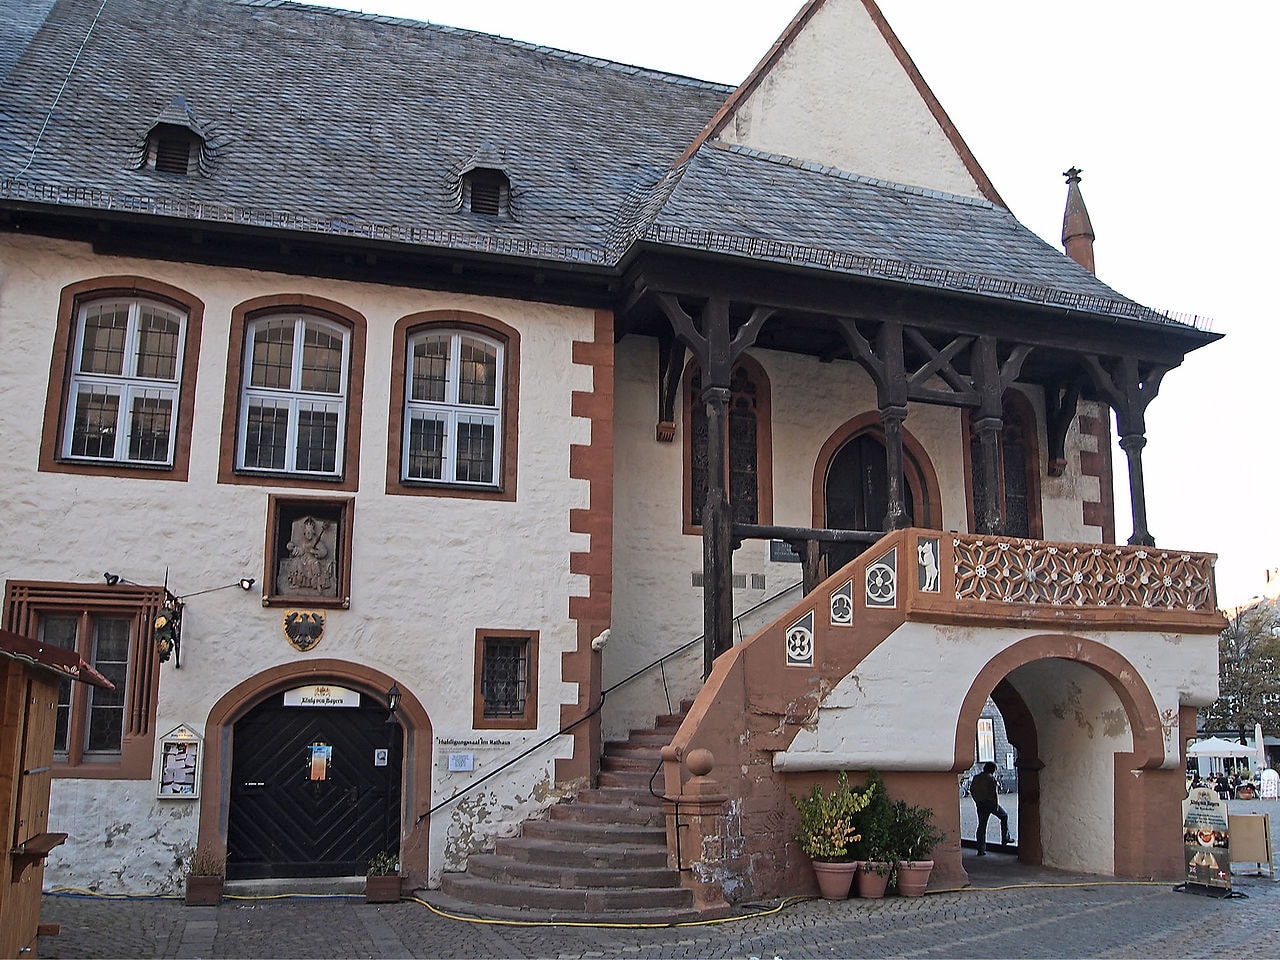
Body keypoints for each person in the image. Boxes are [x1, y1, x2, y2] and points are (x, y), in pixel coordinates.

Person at [971, 761, 1012, 856]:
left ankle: (981, 849)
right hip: (990, 803)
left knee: (982, 826)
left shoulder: (976, 778)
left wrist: (977, 801)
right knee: (1004, 816)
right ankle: (1005, 838)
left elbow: (972, 790)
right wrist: (996, 805)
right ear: (993, 770)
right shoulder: (991, 778)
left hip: (980, 803)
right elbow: (994, 793)